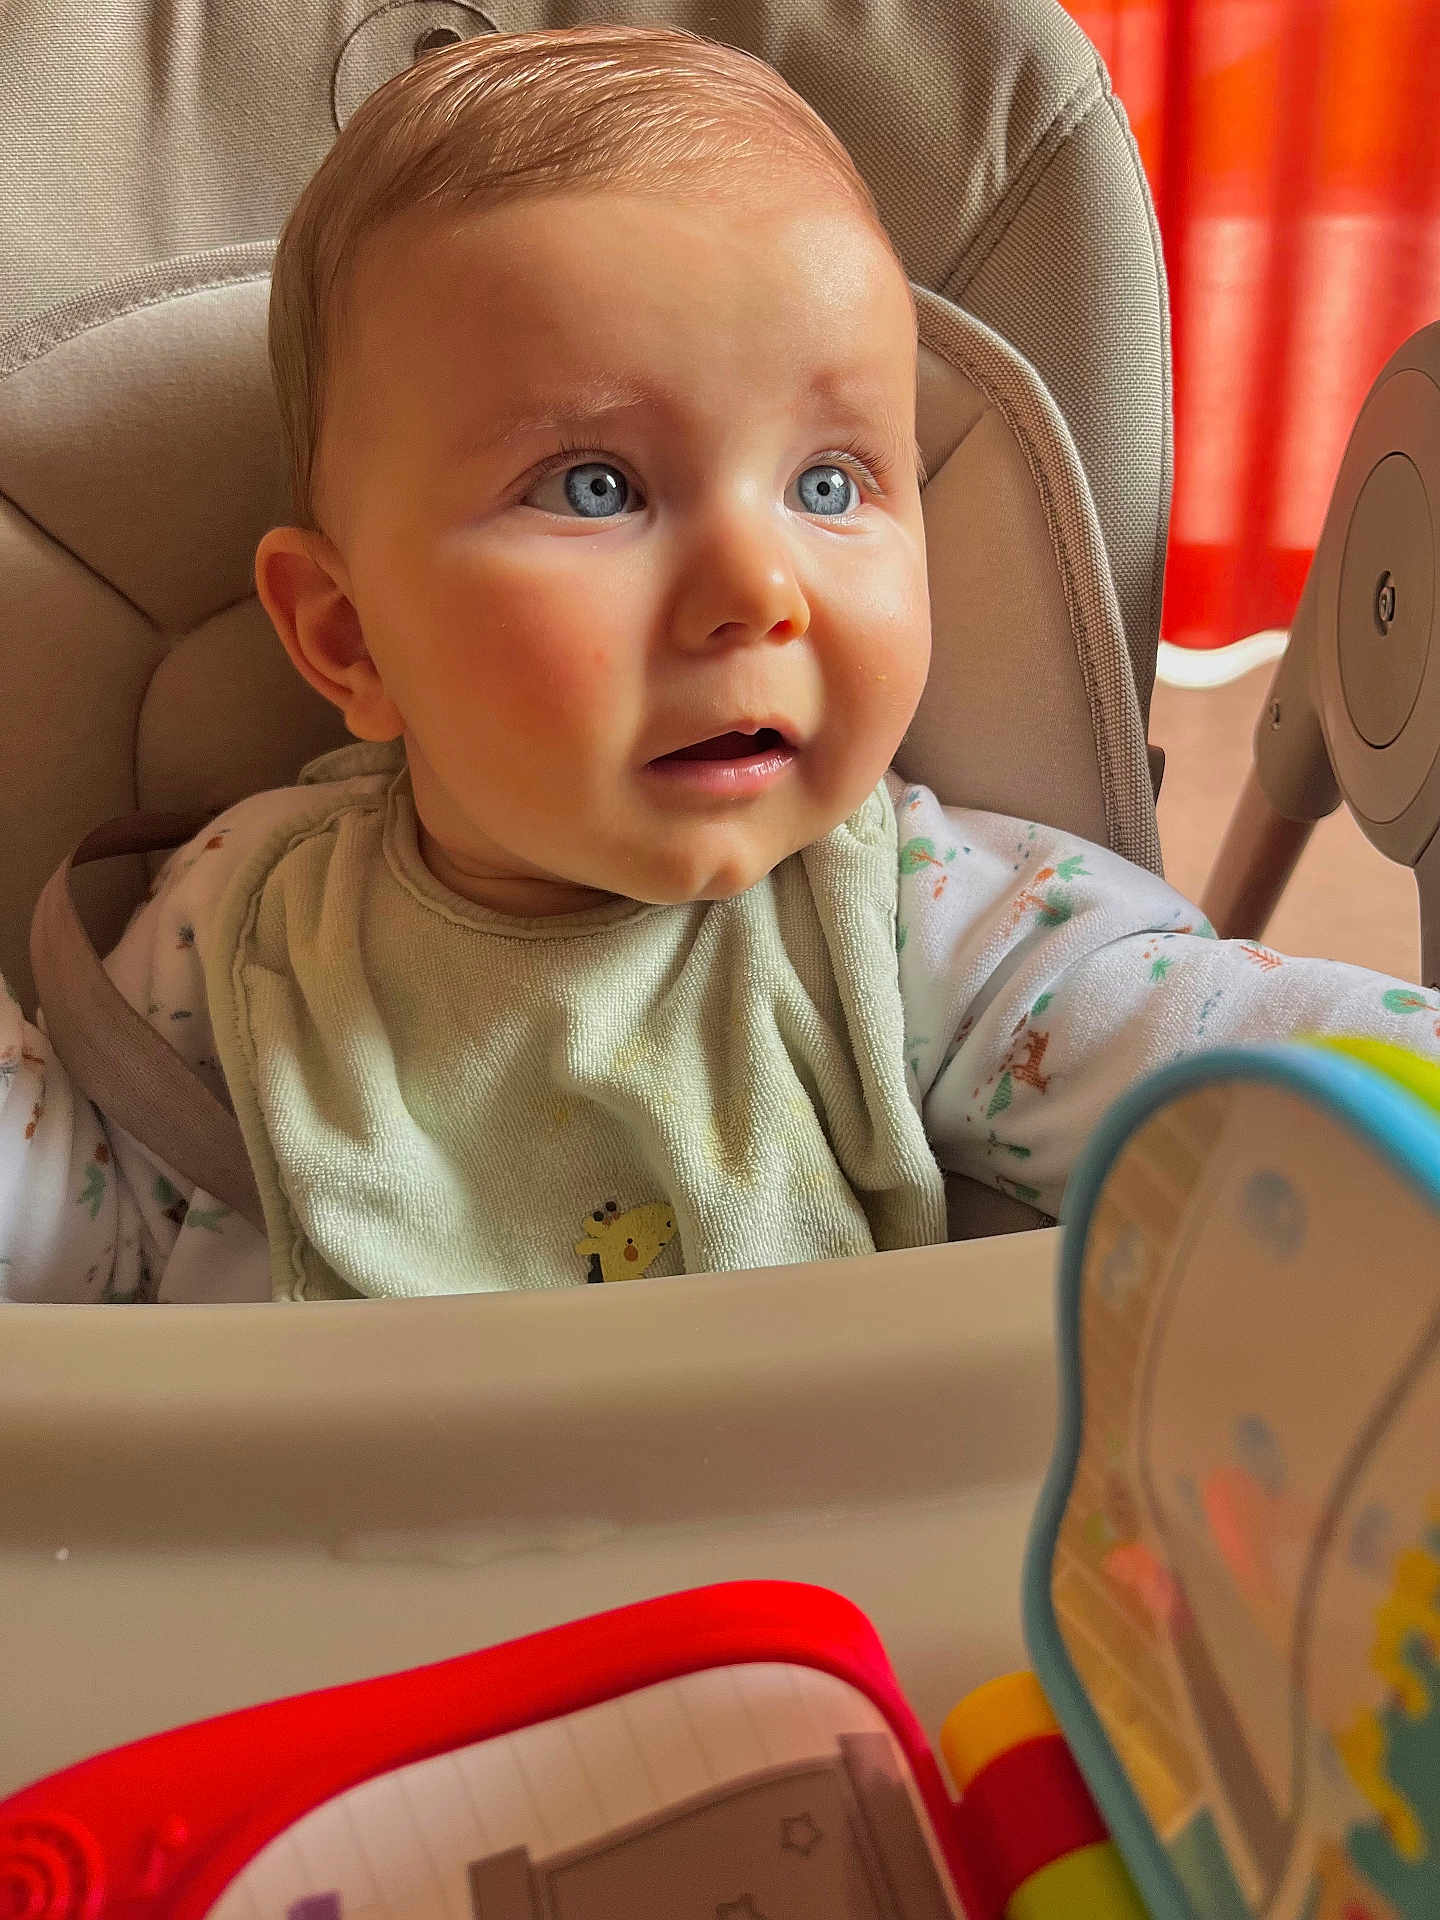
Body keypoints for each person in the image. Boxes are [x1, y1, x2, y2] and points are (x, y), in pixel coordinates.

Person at [2, 23, 1437, 1303]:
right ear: (346, 635)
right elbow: (84, 1220)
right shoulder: (238, 935)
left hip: (797, 1591)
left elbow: (1224, 1055)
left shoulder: (913, 927)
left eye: (828, 486)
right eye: (594, 487)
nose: (759, 592)